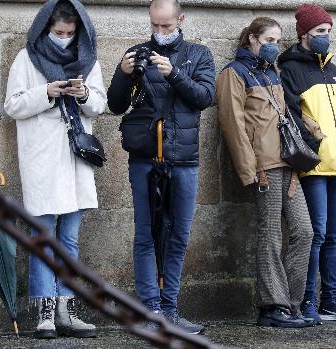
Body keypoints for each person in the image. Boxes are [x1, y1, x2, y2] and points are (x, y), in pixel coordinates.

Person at [106, 0, 215, 334]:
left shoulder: (199, 54)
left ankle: (169, 309)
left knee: (179, 234)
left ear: (181, 19)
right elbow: (115, 104)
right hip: (144, 158)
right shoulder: (136, 53)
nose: (159, 32)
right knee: (145, 234)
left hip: (183, 159)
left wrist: (175, 73)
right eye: (155, 25)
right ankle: (150, 310)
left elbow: (205, 97)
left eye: (166, 25)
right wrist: (124, 75)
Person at [3, 0, 105, 339]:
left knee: (70, 238)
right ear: (45, 28)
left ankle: (66, 308)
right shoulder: (26, 58)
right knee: (42, 236)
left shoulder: (87, 59)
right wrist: (46, 91)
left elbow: (100, 104)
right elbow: (13, 104)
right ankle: (45, 314)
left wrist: (82, 93)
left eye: (70, 33)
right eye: (58, 32)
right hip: (43, 159)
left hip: (75, 159)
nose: (64, 38)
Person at [216, 17, 315, 328]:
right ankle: (272, 308)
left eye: (277, 41)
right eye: (269, 40)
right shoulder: (234, 73)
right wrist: (249, 171)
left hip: (287, 163)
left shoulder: (271, 71)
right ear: (252, 40)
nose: (274, 46)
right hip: (264, 167)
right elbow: (232, 125)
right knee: (270, 234)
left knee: (305, 231)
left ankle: (292, 304)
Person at [278, 3, 336, 324]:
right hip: (314, 167)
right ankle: (309, 300)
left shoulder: (334, 70)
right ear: (304, 34)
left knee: (334, 237)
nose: (325, 37)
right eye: (319, 33)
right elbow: (289, 117)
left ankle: (332, 301)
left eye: (328, 32)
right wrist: (314, 146)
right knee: (316, 235)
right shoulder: (289, 69)